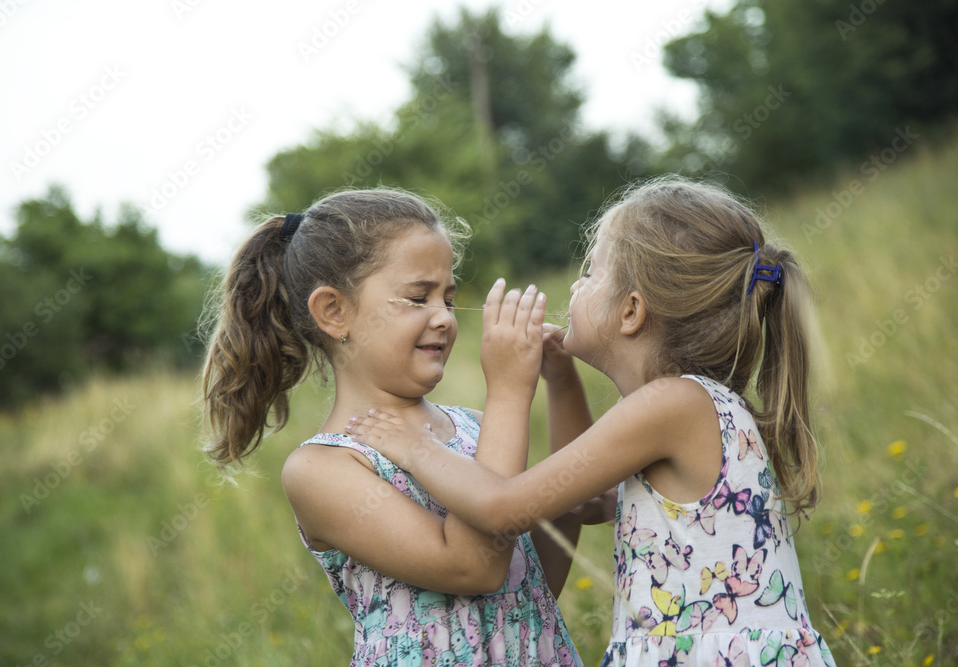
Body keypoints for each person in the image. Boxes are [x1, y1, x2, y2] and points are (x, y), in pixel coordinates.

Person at [347, 178, 838, 666]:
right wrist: (561, 381)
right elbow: (586, 500)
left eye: (591, 272)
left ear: (630, 311)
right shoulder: (693, 407)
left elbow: (502, 510)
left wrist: (415, 446)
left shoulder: (672, 403)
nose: (576, 285)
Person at [199, 188, 584, 666]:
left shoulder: (476, 430)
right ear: (334, 312)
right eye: (418, 297)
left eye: (449, 297)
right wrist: (509, 391)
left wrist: (562, 381)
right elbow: (473, 568)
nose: (444, 317)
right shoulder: (323, 469)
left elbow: (531, 581)